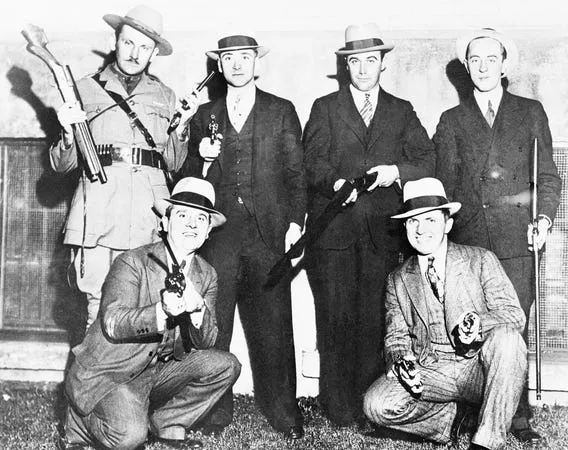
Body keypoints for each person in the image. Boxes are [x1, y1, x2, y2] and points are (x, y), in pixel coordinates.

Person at [433, 28, 562, 444]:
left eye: (492, 59)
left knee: (513, 329)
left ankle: (517, 418)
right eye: (475, 60)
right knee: (470, 330)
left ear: (505, 65)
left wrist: (543, 221)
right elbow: (444, 186)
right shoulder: (451, 121)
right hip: (471, 243)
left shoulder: (530, 112)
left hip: (517, 242)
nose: (484, 67)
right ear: (466, 67)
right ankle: (472, 412)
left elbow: (547, 178)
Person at [302, 23, 434, 427]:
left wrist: (396, 172)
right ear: (346, 66)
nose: (363, 69)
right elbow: (310, 162)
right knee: (335, 319)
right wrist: (335, 184)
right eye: (355, 62)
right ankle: (337, 406)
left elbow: (428, 160)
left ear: (382, 64)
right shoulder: (325, 107)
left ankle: (367, 405)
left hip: (382, 236)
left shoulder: (401, 110)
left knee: (375, 321)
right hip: (334, 236)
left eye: (371, 61)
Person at [177, 34, 306, 439]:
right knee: (215, 325)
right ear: (220, 65)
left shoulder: (281, 110)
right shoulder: (204, 115)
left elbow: (297, 175)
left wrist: (295, 225)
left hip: (268, 236)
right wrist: (201, 159)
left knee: (275, 327)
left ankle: (284, 412)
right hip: (220, 237)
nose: (236, 65)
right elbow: (187, 182)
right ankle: (214, 413)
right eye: (229, 58)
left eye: (244, 57)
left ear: (256, 63)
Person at [57, 177, 240, 450]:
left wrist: (198, 311)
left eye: (201, 219)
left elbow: (207, 341)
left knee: (226, 365)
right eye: (182, 215)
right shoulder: (133, 261)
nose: (192, 224)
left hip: (158, 369)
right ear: (165, 223)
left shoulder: (207, 274)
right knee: (129, 438)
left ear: (208, 232)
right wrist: (160, 312)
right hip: (114, 370)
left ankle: (167, 423)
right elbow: (113, 322)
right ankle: (79, 423)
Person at [50, 5, 202, 327]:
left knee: (146, 306)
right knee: (98, 306)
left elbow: (173, 162)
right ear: (114, 41)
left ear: (154, 54)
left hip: (148, 214)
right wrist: (67, 133)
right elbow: (63, 166)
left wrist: (183, 128)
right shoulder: (83, 89)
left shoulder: (165, 95)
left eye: (144, 47)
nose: (135, 53)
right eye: (129, 42)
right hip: (100, 211)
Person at [363, 177, 528, 450]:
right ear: (405, 227)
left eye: (430, 220)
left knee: (509, 340)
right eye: (413, 221)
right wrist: (401, 362)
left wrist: (479, 324)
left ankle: (486, 441)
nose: (421, 229)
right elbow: (395, 338)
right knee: (376, 405)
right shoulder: (397, 279)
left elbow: (514, 315)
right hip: (430, 371)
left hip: (478, 370)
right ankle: (452, 419)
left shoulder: (481, 260)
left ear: (448, 224)